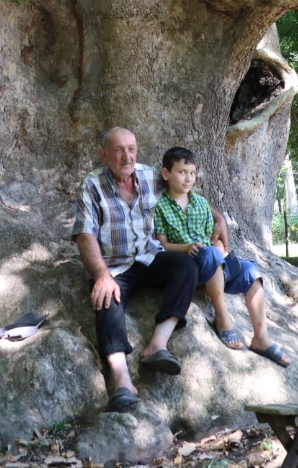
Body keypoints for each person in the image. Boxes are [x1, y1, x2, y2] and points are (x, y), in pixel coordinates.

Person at [72, 127, 229, 412]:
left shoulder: (149, 175)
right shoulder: (92, 185)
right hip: (115, 266)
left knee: (185, 265)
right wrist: (101, 275)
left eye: (131, 149)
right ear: (103, 154)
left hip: (150, 256)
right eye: (118, 150)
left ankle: (158, 345)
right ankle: (121, 380)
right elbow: (85, 235)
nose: (126, 156)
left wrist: (218, 218)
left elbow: (184, 189)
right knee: (108, 298)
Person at [153, 146, 290, 368]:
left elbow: (211, 236)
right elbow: (162, 244)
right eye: (181, 172)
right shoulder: (160, 206)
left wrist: (218, 246)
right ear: (166, 174)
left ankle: (261, 336)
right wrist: (186, 247)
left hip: (213, 261)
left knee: (250, 271)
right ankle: (222, 315)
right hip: (190, 264)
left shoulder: (200, 203)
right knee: (208, 254)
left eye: (192, 173)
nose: (188, 179)